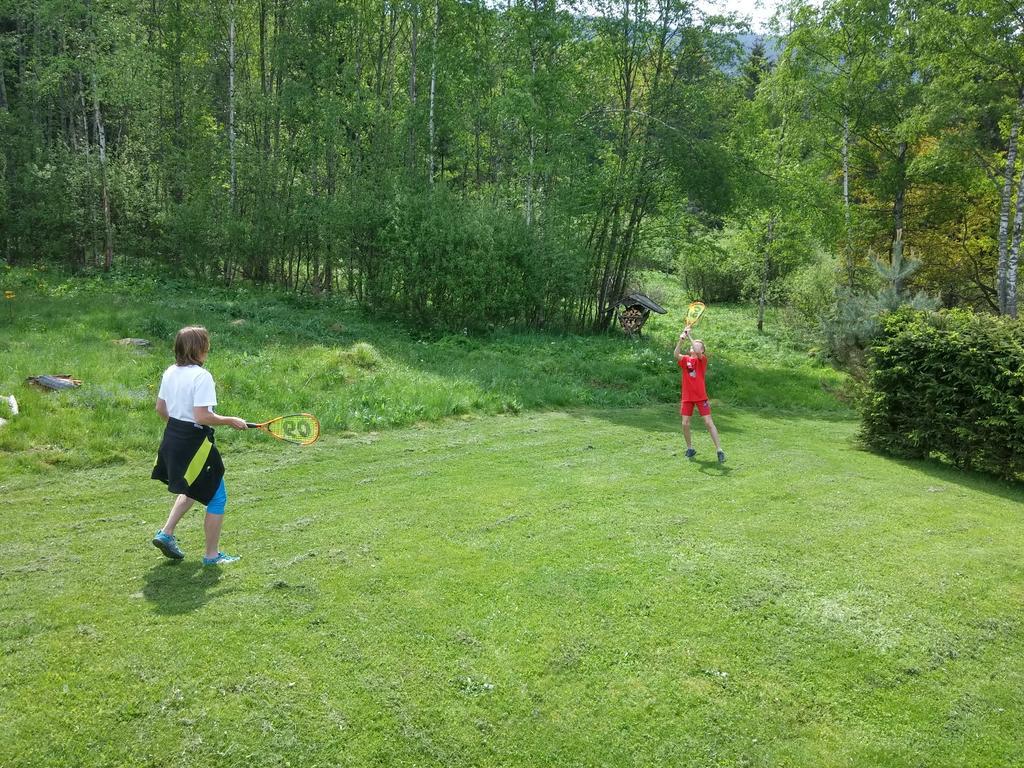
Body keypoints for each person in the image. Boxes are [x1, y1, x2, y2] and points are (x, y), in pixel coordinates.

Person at [151, 326, 248, 565]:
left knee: (191, 487)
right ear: (199, 348)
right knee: (217, 497)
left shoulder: (170, 372)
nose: (208, 347)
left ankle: (166, 533)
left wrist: (180, 426)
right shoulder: (201, 377)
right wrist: (230, 420)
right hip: (194, 443)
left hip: (172, 436)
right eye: (206, 343)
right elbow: (202, 416)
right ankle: (212, 556)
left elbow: (161, 410)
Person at [674, 325, 725, 464]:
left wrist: (689, 336)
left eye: (697, 346)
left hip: (701, 396)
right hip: (687, 397)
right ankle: (690, 448)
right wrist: (681, 340)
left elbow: (696, 350)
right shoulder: (685, 359)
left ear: (702, 350)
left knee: (708, 423)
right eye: (693, 345)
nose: (694, 347)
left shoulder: (702, 360)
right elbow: (675, 354)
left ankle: (719, 450)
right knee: (685, 423)